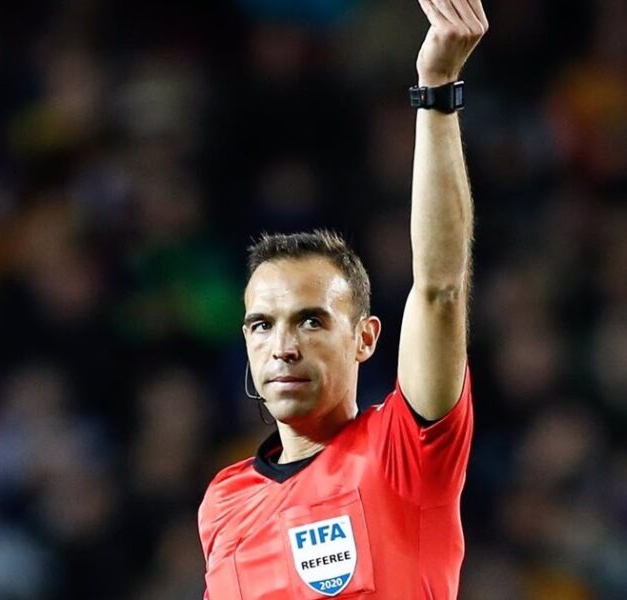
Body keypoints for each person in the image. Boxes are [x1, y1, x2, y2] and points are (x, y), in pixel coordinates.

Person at [198, 1, 487, 597]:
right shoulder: (224, 501)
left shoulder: (405, 452)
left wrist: (436, 93)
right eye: (262, 325)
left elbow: (439, 289)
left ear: (364, 338)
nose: (283, 346)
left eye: (310, 321)